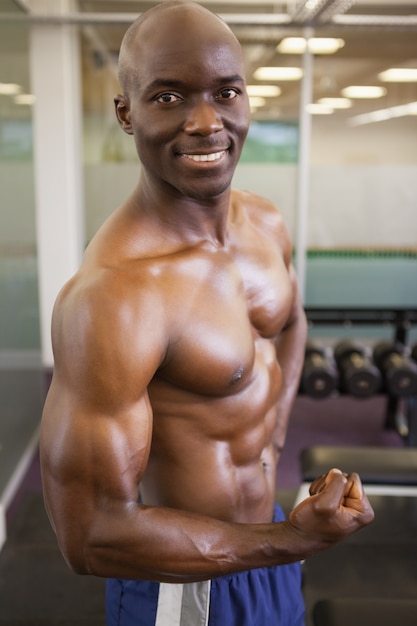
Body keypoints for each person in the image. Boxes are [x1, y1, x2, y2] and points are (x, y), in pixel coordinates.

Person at [40, 2, 375, 625]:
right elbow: (90, 536)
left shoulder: (265, 221)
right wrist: (298, 541)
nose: (205, 122)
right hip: (183, 585)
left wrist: (273, 431)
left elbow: (291, 321)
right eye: (168, 97)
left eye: (226, 92)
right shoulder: (115, 296)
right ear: (125, 113)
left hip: (268, 543)